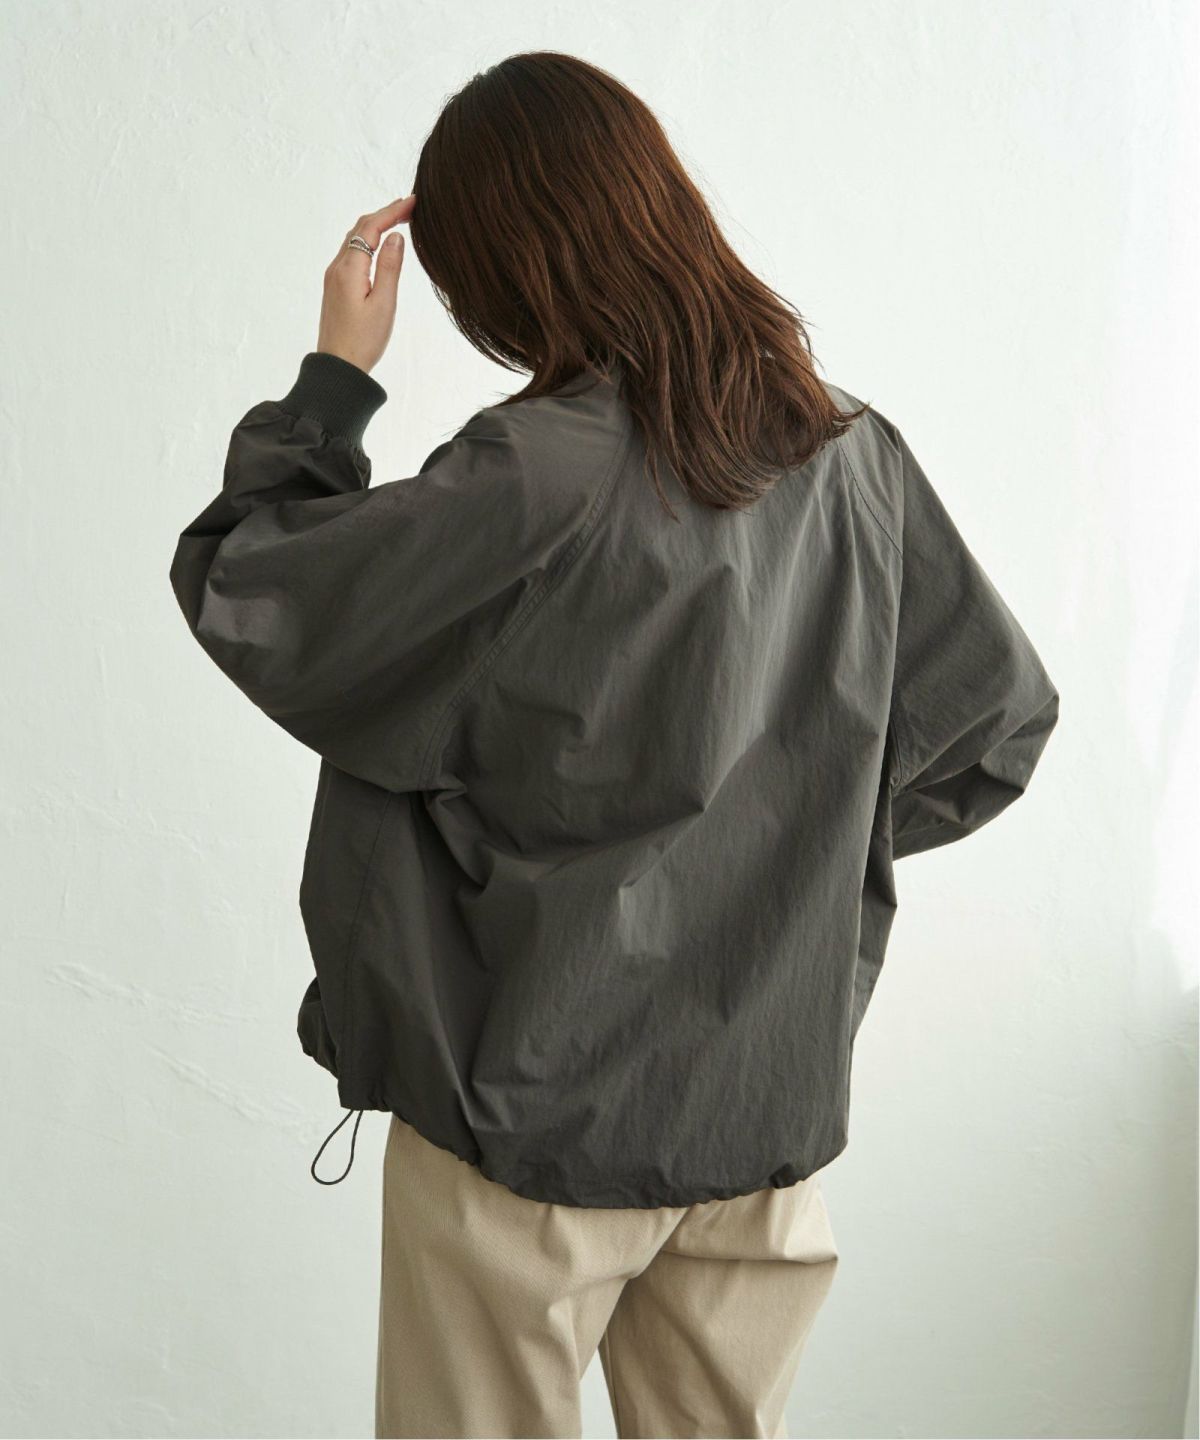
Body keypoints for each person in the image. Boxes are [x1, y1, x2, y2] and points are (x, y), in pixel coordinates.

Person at [168, 51, 1060, 1440]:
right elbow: (993, 728)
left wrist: (334, 380)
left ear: (508, 269)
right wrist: (781, 856)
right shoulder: (851, 455)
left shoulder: (537, 472)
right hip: (755, 1136)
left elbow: (252, 587)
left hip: (524, 1127)